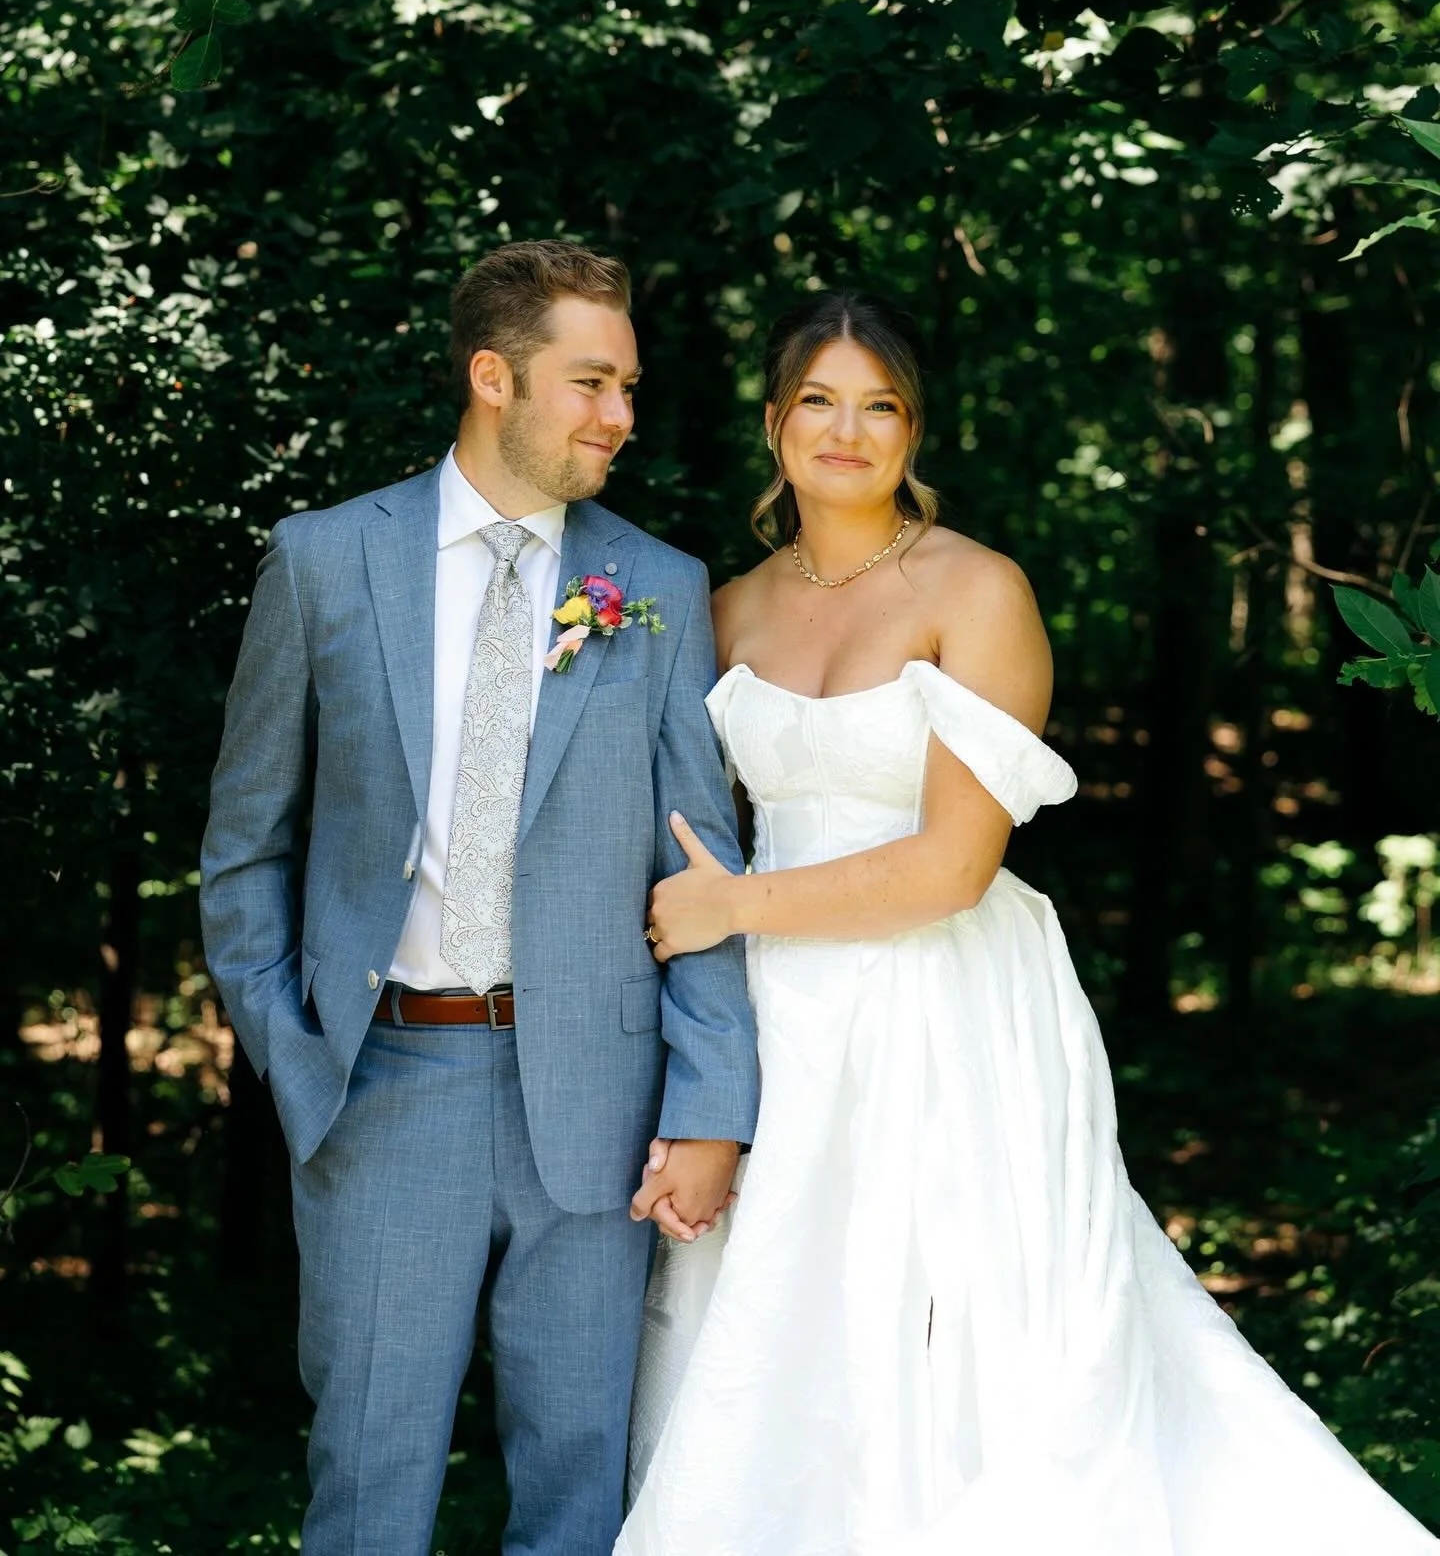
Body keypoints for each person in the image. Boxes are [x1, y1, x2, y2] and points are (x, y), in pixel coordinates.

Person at [616, 291, 1436, 1556]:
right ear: (776, 424)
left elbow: (952, 864)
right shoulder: (727, 608)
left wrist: (732, 906)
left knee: (953, 1319)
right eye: (820, 402)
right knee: (779, 1319)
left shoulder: (978, 590)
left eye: (878, 405)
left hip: (940, 996)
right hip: (777, 1007)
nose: (848, 429)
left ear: (914, 430)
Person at [199, 240, 757, 1556]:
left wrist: (709, 1105)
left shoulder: (662, 588)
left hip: (603, 1103)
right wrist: (301, 1064)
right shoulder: (328, 561)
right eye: (593, 383)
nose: (621, 416)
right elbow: (244, 852)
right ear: (494, 376)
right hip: (386, 1085)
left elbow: (704, 871)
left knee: (577, 1489)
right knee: (368, 1479)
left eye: (627, 386)